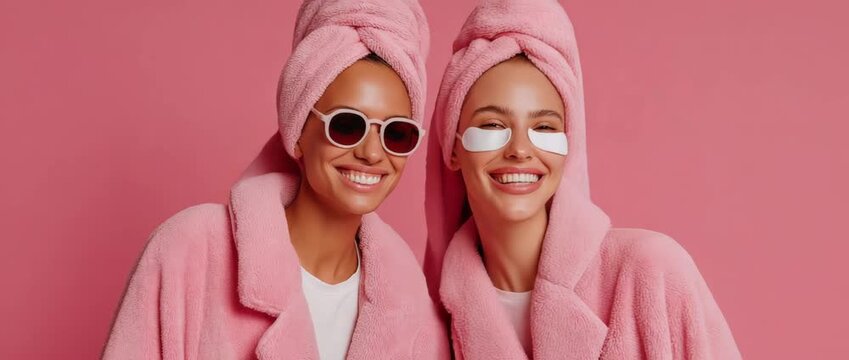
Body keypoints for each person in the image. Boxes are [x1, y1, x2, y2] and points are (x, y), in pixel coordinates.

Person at [103, 0, 449, 358]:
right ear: (298, 131)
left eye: (397, 134)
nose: (373, 153)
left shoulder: (413, 308)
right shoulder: (191, 250)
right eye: (347, 126)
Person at [423, 0, 741, 358]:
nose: (520, 149)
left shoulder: (651, 271)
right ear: (452, 145)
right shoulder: (429, 323)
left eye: (544, 127)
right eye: (493, 125)